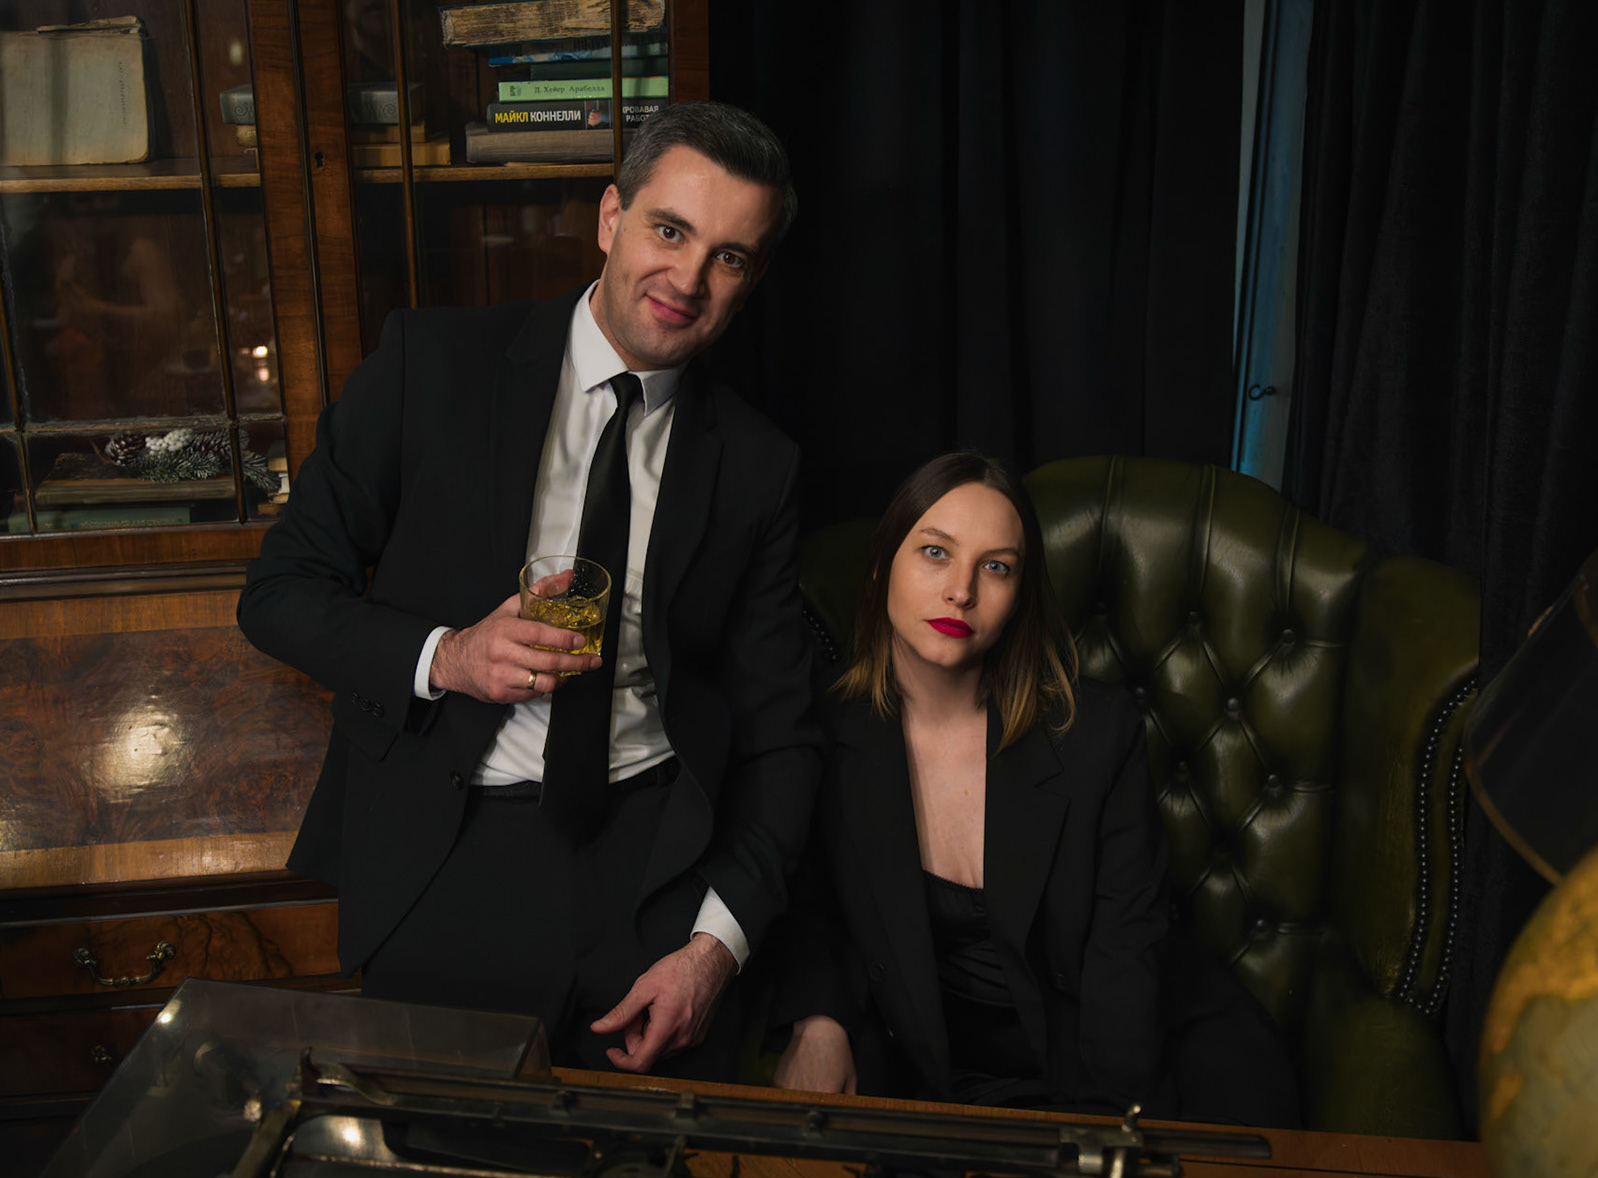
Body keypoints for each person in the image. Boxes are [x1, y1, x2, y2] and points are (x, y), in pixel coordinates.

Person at [237, 101, 821, 1082]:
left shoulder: (759, 466)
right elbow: (279, 592)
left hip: (657, 871)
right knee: (441, 1152)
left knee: (651, 1160)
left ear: (752, 279)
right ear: (610, 217)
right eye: (668, 230)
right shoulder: (432, 367)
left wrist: (715, 947)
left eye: (728, 257)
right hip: (448, 850)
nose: (687, 280)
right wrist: (449, 657)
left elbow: (781, 736)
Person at [770, 453, 1300, 1124]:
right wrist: (818, 1019)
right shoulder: (821, 730)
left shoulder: (1095, 734)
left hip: (1138, 1063)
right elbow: (810, 900)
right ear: (881, 566)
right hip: (949, 1077)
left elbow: (1127, 953)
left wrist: (1102, 1136)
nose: (961, 591)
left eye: (996, 567)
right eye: (935, 553)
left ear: (1019, 595)